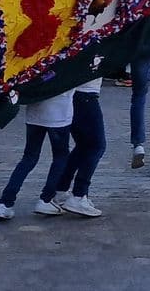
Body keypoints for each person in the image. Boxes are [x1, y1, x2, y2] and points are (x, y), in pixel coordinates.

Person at [0, 90, 74, 219]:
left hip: (35, 113)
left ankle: (4, 203)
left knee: (29, 158)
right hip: (60, 112)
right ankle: (46, 199)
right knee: (61, 156)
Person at [46, 77, 107, 218]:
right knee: (97, 145)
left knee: (83, 145)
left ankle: (61, 188)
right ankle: (79, 194)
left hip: (74, 93)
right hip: (84, 93)